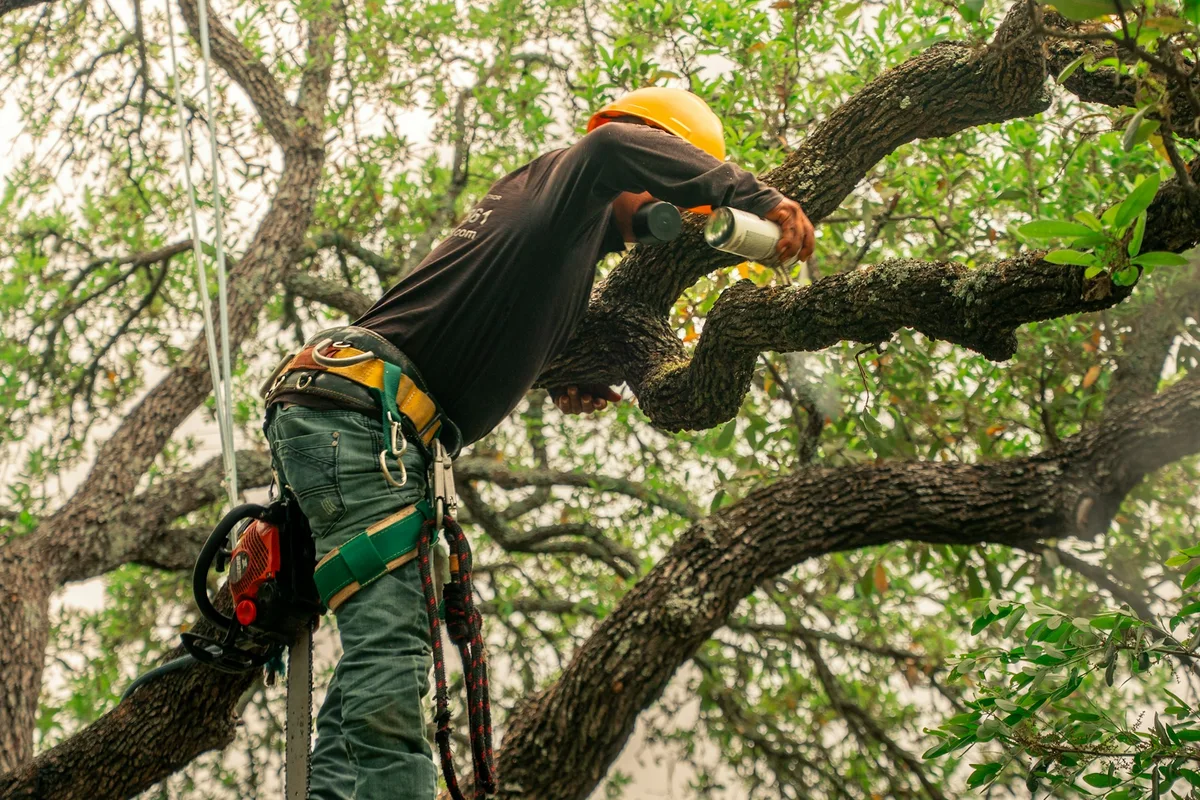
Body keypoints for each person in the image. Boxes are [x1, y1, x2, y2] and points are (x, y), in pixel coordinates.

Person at [261, 86, 815, 799]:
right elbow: (612, 151)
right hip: (361, 419)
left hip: (358, 419)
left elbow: (487, 332)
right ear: (650, 146)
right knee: (394, 654)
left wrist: (555, 380)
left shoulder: (558, 235)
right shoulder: (574, 175)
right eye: (675, 168)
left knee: (377, 659)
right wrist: (758, 195)